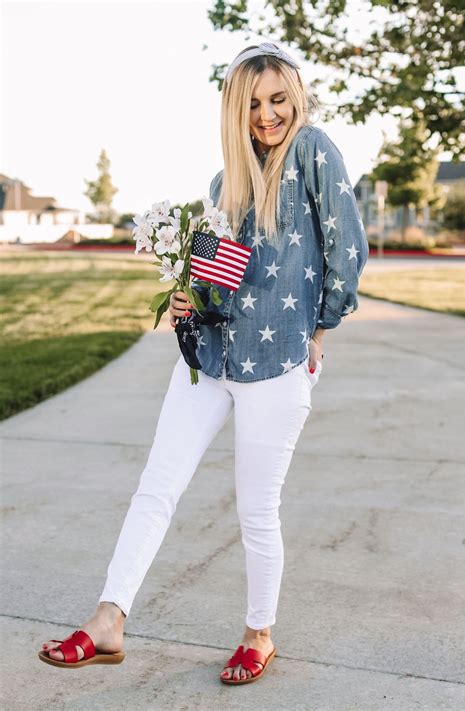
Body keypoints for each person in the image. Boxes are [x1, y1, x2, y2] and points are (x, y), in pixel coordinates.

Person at [38, 41, 369, 684]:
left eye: (278, 99)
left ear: (296, 97)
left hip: (277, 361)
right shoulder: (224, 181)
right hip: (211, 357)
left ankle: (258, 632)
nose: (267, 115)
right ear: (232, 112)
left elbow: (346, 250)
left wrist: (320, 326)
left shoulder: (314, 150)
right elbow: (225, 275)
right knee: (157, 484)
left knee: (255, 506)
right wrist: (189, 290)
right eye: (252, 105)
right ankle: (109, 620)